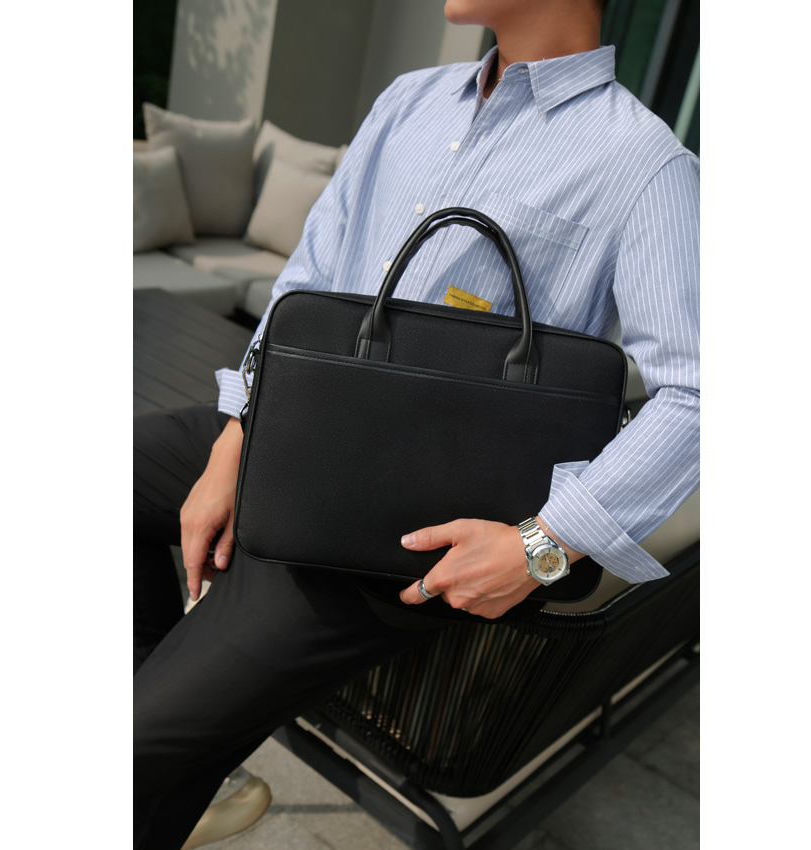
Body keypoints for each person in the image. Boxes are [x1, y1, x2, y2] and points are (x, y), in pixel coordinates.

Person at [133, 0, 699, 846]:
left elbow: (698, 393)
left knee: (136, 744)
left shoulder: (644, 163)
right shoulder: (411, 100)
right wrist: (234, 440)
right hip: (288, 434)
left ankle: (163, 757)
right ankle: (181, 761)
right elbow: (310, 277)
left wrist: (542, 546)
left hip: (395, 528)